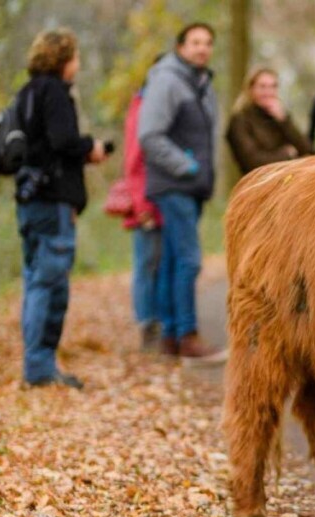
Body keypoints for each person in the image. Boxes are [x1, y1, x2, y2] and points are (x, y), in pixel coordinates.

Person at [15, 28, 109, 388]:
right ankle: (39, 368)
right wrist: (91, 146)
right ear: (62, 59)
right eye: (76, 57)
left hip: (29, 199)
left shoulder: (26, 92)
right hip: (52, 200)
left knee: (35, 280)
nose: (78, 64)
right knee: (49, 284)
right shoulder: (54, 91)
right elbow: (62, 140)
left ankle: (38, 363)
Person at [138, 22, 224, 363]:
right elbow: (149, 135)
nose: (202, 48)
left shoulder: (201, 84)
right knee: (189, 260)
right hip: (174, 184)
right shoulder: (167, 80)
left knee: (174, 259)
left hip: (191, 188)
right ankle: (187, 336)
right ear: (180, 46)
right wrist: (186, 167)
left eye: (207, 42)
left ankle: (171, 337)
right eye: (195, 42)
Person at [121, 82, 164, 352]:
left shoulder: (155, 106)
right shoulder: (144, 108)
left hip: (158, 199)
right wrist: (140, 204)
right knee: (147, 264)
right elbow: (134, 162)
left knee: (157, 264)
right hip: (147, 202)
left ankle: (155, 323)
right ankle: (146, 324)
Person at [226, 66, 313, 174]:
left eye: (273, 87)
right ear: (251, 89)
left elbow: (306, 149)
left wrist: (284, 120)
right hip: (256, 184)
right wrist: (287, 154)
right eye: (263, 87)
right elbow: (252, 162)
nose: (268, 92)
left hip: (285, 182)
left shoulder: (279, 117)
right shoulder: (240, 120)